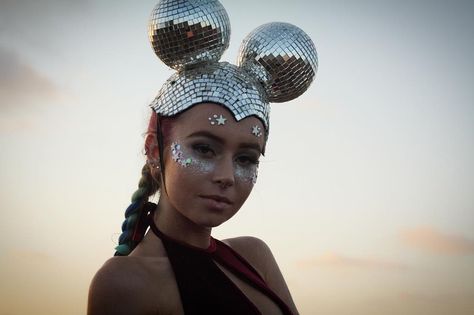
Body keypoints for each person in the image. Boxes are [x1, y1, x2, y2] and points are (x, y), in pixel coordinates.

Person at [88, 0, 317, 314]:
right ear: (155, 151)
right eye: (204, 149)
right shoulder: (124, 283)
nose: (227, 175)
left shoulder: (255, 256)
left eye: (246, 159)